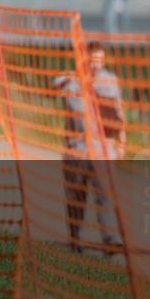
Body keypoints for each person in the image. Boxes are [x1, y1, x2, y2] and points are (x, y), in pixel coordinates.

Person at [54, 41, 126, 255]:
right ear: (84, 59)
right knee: (76, 199)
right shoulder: (71, 81)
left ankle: (110, 241)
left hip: (104, 150)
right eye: (93, 60)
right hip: (76, 150)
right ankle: (75, 241)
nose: (96, 65)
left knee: (106, 197)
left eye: (100, 61)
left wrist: (122, 143)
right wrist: (72, 76)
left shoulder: (111, 82)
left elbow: (119, 116)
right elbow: (50, 88)